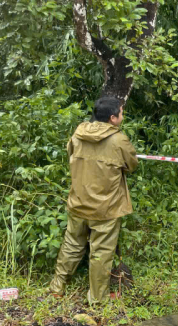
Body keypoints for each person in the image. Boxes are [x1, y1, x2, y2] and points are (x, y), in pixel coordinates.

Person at [49, 97, 138, 304]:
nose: (122, 116)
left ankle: (57, 287)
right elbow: (132, 165)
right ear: (113, 118)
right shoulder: (119, 140)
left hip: (78, 201)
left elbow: (69, 151)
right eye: (121, 113)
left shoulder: (78, 134)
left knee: (71, 244)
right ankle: (97, 299)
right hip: (106, 208)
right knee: (101, 253)